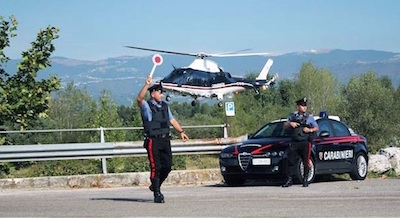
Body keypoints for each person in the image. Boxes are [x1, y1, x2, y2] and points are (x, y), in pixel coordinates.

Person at [137, 76, 189, 203]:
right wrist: (146, 85)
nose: (162, 95)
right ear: (153, 93)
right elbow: (139, 99)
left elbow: (172, 120)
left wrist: (181, 131)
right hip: (153, 141)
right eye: (160, 92)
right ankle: (157, 193)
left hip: (165, 140)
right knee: (156, 167)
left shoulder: (165, 106)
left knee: (168, 166)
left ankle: (155, 185)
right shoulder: (147, 107)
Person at [282, 97, 319, 188]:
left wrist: (309, 130)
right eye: (302, 105)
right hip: (295, 142)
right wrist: (290, 124)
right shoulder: (292, 116)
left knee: (306, 161)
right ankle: (289, 180)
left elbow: (316, 128)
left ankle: (305, 179)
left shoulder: (309, 118)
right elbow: (284, 126)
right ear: (298, 107)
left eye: (305, 105)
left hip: (305, 142)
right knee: (290, 160)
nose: (304, 107)